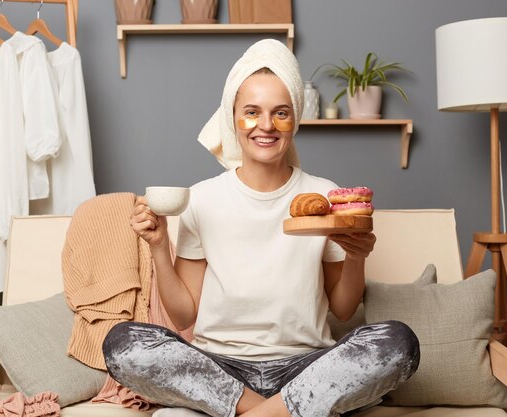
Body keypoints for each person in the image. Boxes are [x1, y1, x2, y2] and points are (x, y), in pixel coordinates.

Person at [103, 39, 420, 417]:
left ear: (295, 119)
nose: (265, 126)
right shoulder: (200, 200)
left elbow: (344, 308)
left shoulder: (324, 195)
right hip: (221, 368)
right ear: (232, 116)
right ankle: (279, 412)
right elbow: (185, 316)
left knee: (399, 343)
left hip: (305, 367)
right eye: (252, 112)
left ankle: (255, 412)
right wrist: (158, 246)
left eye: (280, 113)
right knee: (123, 343)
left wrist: (356, 257)